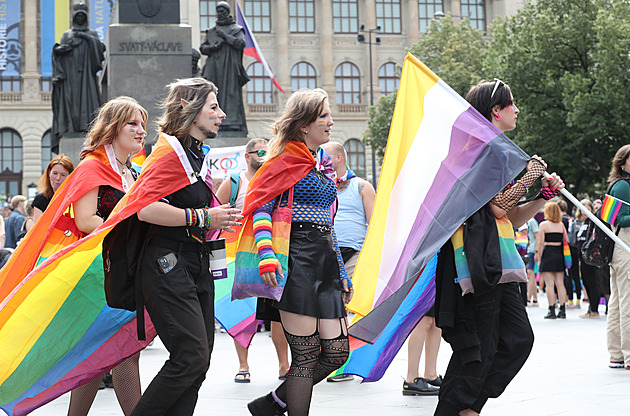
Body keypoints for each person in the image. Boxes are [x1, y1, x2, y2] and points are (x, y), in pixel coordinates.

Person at [434, 78, 564, 416]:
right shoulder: (479, 151)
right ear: (496, 110)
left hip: (502, 264)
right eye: (512, 104)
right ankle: (459, 408)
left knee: (517, 341)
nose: (517, 110)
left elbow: (509, 218)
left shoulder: (495, 152)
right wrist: (530, 173)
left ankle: (469, 406)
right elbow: (498, 205)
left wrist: (543, 196)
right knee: (478, 349)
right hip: (479, 266)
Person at [131, 77, 239, 415]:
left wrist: (216, 214)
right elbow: (145, 208)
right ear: (188, 109)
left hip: (194, 262)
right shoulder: (169, 153)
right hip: (167, 261)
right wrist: (204, 217)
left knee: (197, 360)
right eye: (213, 107)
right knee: (191, 356)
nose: (221, 114)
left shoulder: (192, 156)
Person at [244, 88, 352, 416]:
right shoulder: (282, 159)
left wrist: (341, 271)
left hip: (324, 261)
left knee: (336, 353)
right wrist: (265, 254)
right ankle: (281, 407)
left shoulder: (321, 163)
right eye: (324, 116)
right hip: (295, 260)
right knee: (305, 355)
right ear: (304, 124)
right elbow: (260, 206)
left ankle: (273, 403)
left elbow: (330, 224)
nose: (331, 122)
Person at [64, 96, 148, 416]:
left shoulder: (135, 172)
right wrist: (129, 232)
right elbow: (86, 220)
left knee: (100, 356)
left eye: (142, 124)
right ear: (113, 128)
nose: (141, 130)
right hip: (100, 273)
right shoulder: (92, 167)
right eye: (133, 124)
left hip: (128, 270)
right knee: (122, 352)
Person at [215, 138, 290, 383]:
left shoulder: (276, 180)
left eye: (268, 151)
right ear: (247, 156)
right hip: (238, 255)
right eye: (260, 152)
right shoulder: (234, 182)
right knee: (242, 312)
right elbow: (214, 215)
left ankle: (284, 365)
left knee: (277, 310)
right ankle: (243, 365)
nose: (265, 155)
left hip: (269, 252)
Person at [320, 141, 375, 383]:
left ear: (339, 158)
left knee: (345, 306)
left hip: (354, 256)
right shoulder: (321, 184)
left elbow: (374, 225)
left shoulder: (362, 186)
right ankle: (331, 360)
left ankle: (343, 362)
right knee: (329, 310)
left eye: (326, 156)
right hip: (326, 256)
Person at [51, 2, 106, 151]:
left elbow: (100, 52)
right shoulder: (67, 34)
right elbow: (60, 53)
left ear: (86, 17)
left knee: (87, 101)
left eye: (83, 16)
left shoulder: (92, 34)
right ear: (74, 17)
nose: (80, 18)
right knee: (72, 102)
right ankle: (71, 126)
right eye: (78, 16)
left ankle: (87, 127)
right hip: (71, 76)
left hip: (87, 76)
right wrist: (61, 49)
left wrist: (86, 38)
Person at [199, 1, 249, 134]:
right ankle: (211, 121)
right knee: (212, 96)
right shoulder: (211, 31)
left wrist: (225, 37)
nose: (220, 14)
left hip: (229, 69)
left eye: (223, 11)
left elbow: (240, 43)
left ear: (228, 12)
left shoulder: (236, 29)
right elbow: (203, 48)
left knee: (230, 95)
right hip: (214, 67)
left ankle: (231, 123)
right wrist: (213, 47)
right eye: (218, 11)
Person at [605, 144, 630, 369]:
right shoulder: (623, 185)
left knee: (618, 302)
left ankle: (617, 354)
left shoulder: (619, 184)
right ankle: (627, 355)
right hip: (625, 247)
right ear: (623, 162)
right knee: (626, 302)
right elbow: (620, 219)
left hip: (620, 249)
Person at [536, 201, 569, 320]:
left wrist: (539, 258)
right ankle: (562, 309)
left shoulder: (543, 225)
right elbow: (566, 240)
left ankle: (551, 309)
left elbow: (540, 243)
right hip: (559, 254)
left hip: (548, 253)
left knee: (549, 284)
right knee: (560, 283)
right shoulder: (561, 225)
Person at [576, 199, 601, 318]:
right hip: (582, 258)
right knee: (586, 282)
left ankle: (594, 310)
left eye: (587, 209)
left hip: (590, 257)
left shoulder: (593, 222)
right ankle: (591, 309)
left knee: (592, 282)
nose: (585, 211)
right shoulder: (583, 223)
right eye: (582, 209)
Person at [33, 154, 75, 224]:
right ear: (49, 173)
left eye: (63, 175)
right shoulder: (40, 199)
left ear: (70, 176)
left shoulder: (75, 199)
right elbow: (37, 228)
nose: (58, 178)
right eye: (55, 173)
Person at [558, 200, 581, 308]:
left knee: (568, 275)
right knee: (576, 274)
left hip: (566, 250)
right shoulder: (571, 219)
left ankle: (570, 299)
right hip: (575, 249)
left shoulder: (561, 221)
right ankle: (579, 299)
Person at [525, 216, 540, 306]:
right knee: (531, 275)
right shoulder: (527, 221)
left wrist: (537, 251)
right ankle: (534, 298)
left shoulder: (531, 221)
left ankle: (529, 298)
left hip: (532, 250)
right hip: (529, 249)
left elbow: (538, 237)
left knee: (530, 274)